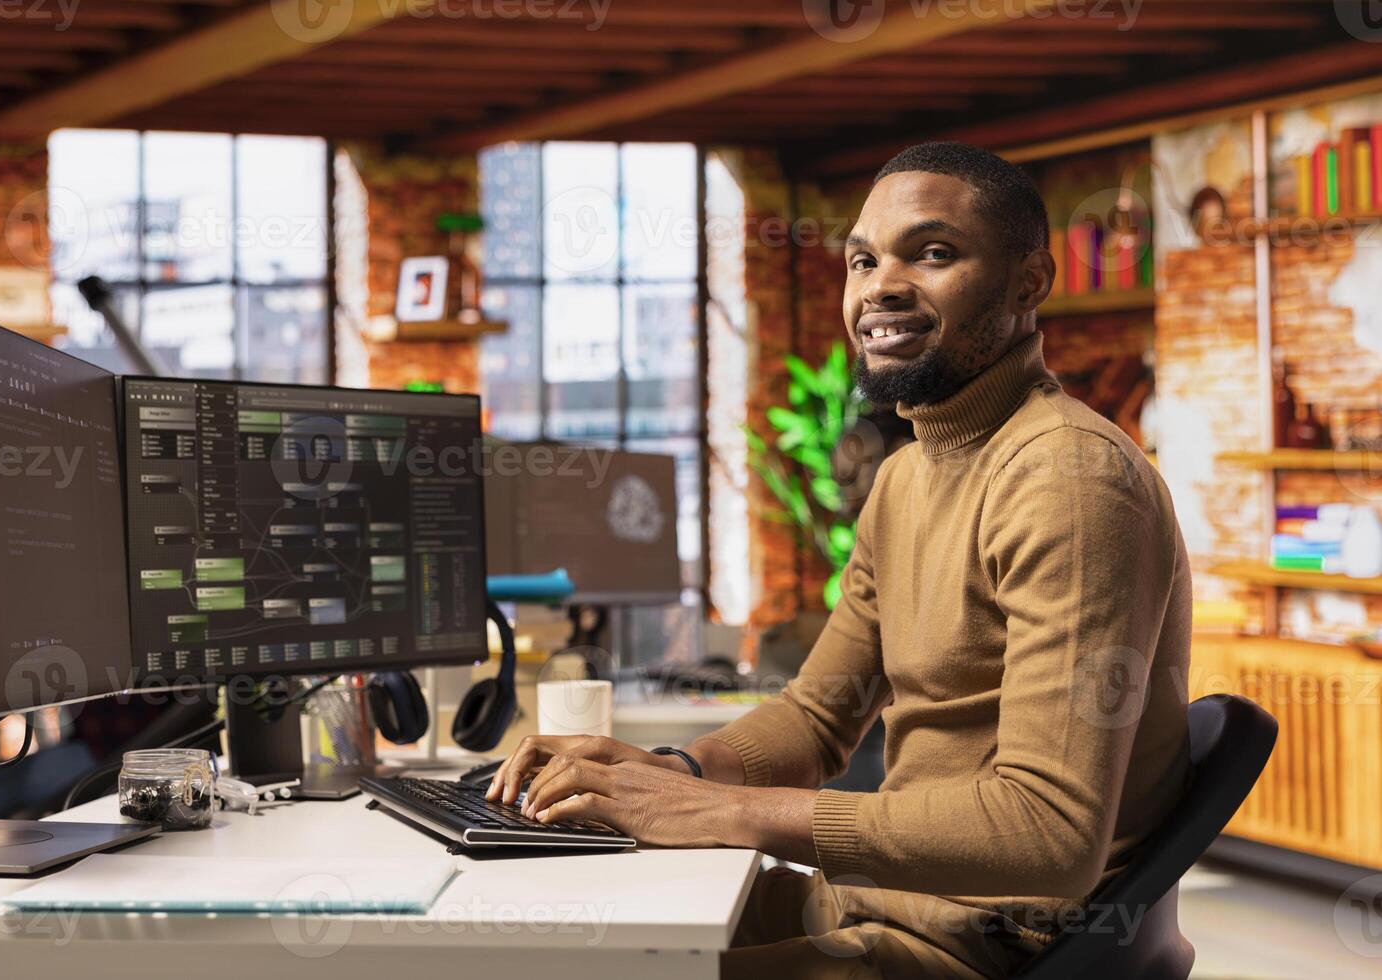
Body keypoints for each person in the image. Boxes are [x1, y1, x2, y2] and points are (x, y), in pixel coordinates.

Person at [487, 141, 1192, 979]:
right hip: (872, 905)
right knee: (536, 936)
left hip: (969, 950)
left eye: (933, 253)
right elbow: (817, 719)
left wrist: (716, 808)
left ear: (1028, 283)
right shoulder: (904, 479)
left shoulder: (1069, 482)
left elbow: (1047, 834)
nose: (879, 287)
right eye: (864, 259)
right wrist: (670, 772)